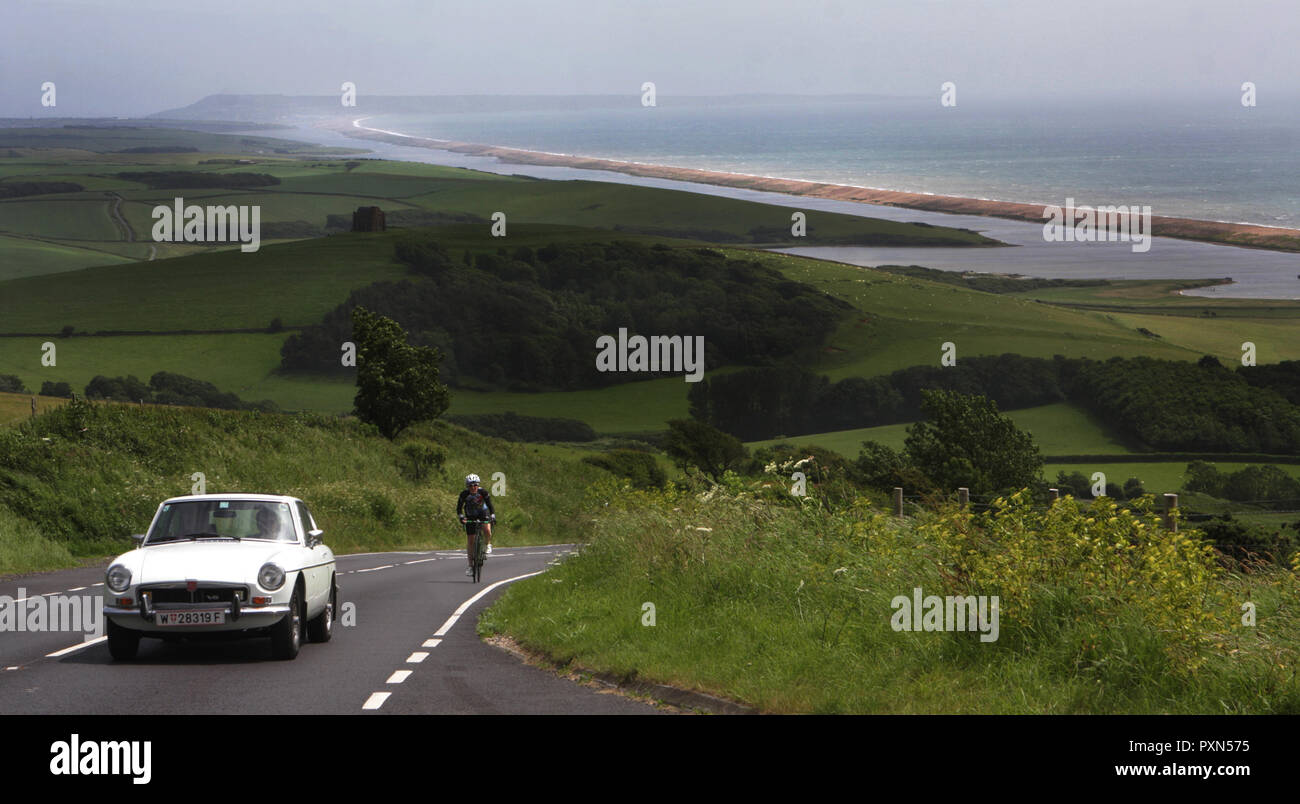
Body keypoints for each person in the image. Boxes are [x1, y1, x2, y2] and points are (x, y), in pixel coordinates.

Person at [457, 474, 495, 575]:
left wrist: (492, 516)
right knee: (470, 541)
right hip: (470, 516)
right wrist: (461, 517)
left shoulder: (483, 492)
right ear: (467, 486)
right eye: (470, 486)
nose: (473, 487)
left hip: (483, 513)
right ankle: (470, 566)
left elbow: (490, 506)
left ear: (478, 485)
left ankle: (487, 544)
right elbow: (459, 509)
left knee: (486, 529)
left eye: (475, 485)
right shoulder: (464, 494)